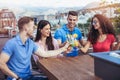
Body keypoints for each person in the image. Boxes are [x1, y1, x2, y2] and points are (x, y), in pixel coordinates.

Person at [0, 16, 69, 80]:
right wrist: (16, 77)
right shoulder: (12, 43)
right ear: (26, 28)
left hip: (28, 77)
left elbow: (45, 53)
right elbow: (1, 63)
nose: (34, 29)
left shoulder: (30, 43)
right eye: (33, 27)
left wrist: (63, 48)